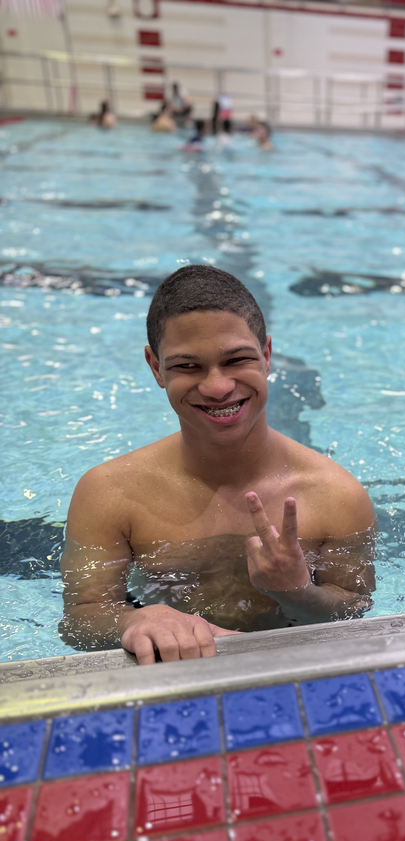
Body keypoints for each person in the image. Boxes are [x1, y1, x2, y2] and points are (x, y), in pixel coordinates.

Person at [59, 265, 376, 664]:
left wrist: (296, 591)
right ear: (155, 367)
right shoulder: (108, 492)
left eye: (236, 360)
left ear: (266, 355)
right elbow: (80, 619)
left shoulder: (335, 496)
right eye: (187, 366)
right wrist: (135, 621)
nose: (217, 387)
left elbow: (355, 614)